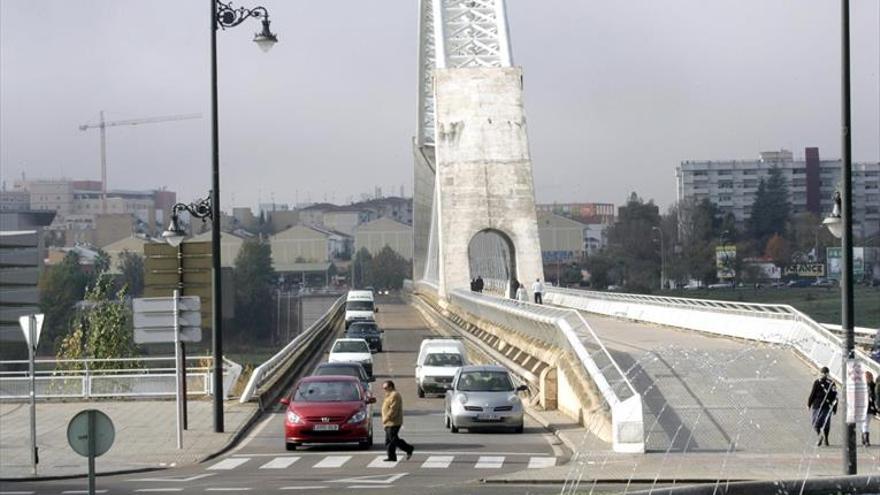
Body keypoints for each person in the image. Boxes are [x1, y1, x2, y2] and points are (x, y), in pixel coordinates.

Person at [381, 380, 413, 461]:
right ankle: (391, 457)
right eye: (383, 388)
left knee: (393, 438)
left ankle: (409, 448)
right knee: (389, 441)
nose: (384, 389)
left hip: (393, 421)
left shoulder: (395, 395)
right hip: (388, 422)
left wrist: (386, 418)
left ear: (391, 387)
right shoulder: (388, 395)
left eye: (385, 388)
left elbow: (393, 409)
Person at [808, 366, 837, 447]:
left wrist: (809, 404)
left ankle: (820, 435)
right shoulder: (832, 383)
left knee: (815, 422)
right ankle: (826, 439)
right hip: (827, 406)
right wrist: (834, 408)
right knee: (826, 423)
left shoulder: (817, 382)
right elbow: (835, 396)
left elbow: (813, 394)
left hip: (817, 405)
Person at [863, 370, 876, 446]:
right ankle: (865, 439)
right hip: (863, 407)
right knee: (865, 423)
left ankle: (864, 437)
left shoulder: (873, 386)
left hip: (870, 407)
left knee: (866, 423)